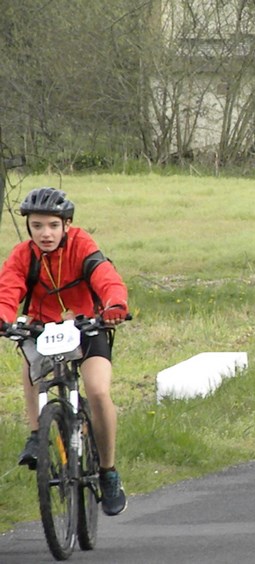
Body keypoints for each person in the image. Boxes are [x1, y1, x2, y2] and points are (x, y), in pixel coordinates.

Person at [0, 187, 130, 516]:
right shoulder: (22, 255)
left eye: (53, 226)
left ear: (67, 225)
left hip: (87, 325)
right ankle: (36, 433)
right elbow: (9, 286)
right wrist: (3, 316)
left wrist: (114, 304)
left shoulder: (82, 245)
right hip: (44, 328)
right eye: (38, 226)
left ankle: (108, 471)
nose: (46, 233)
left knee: (98, 391)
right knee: (32, 364)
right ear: (29, 227)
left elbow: (105, 276)